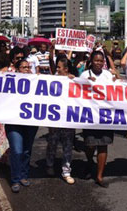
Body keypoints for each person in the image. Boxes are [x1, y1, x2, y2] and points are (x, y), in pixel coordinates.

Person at [80, 51, 115, 188]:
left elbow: (116, 89)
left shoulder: (107, 75)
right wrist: (86, 83)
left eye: (101, 61)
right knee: (90, 144)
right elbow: (77, 90)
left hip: (105, 116)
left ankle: (99, 175)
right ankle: (89, 161)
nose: (99, 63)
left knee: (103, 145)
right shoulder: (85, 74)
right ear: (91, 61)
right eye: (96, 60)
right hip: (90, 116)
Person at [5, 59, 39, 193]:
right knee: (17, 150)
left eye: (28, 67)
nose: (26, 69)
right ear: (17, 69)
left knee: (26, 150)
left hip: (30, 122)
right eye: (23, 67)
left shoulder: (36, 81)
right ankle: (15, 179)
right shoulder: (9, 81)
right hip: (14, 123)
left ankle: (24, 176)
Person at [45, 55, 78, 185]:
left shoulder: (74, 81)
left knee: (68, 146)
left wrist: (75, 80)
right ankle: (49, 164)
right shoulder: (53, 80)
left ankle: (66, 171)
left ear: (66, 69)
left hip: (69, 119)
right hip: (55, 118)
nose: (57, 69)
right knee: (52, 143)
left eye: (59, 67)